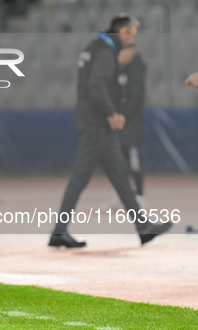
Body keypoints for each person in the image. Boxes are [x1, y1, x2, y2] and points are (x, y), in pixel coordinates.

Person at [49, 14, 171, 249]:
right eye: (132, 34)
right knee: (80, 178)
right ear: (123, 33)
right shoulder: (105, 53)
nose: (133, 40)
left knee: (120, 177)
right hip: (96, 126)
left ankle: (143, 227)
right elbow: (96, 85)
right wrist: (112, 113)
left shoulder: (94, 47)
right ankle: (59, 231)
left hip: (95, 125)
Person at [102, 45, 148, 209]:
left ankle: (140, 195)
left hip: (132, 123)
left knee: (133, 160)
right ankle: (122, 193)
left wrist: (123, 115)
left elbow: (136, 97)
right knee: (118, 160)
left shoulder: (136, 69)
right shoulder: (117, 69)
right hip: (118, 123)